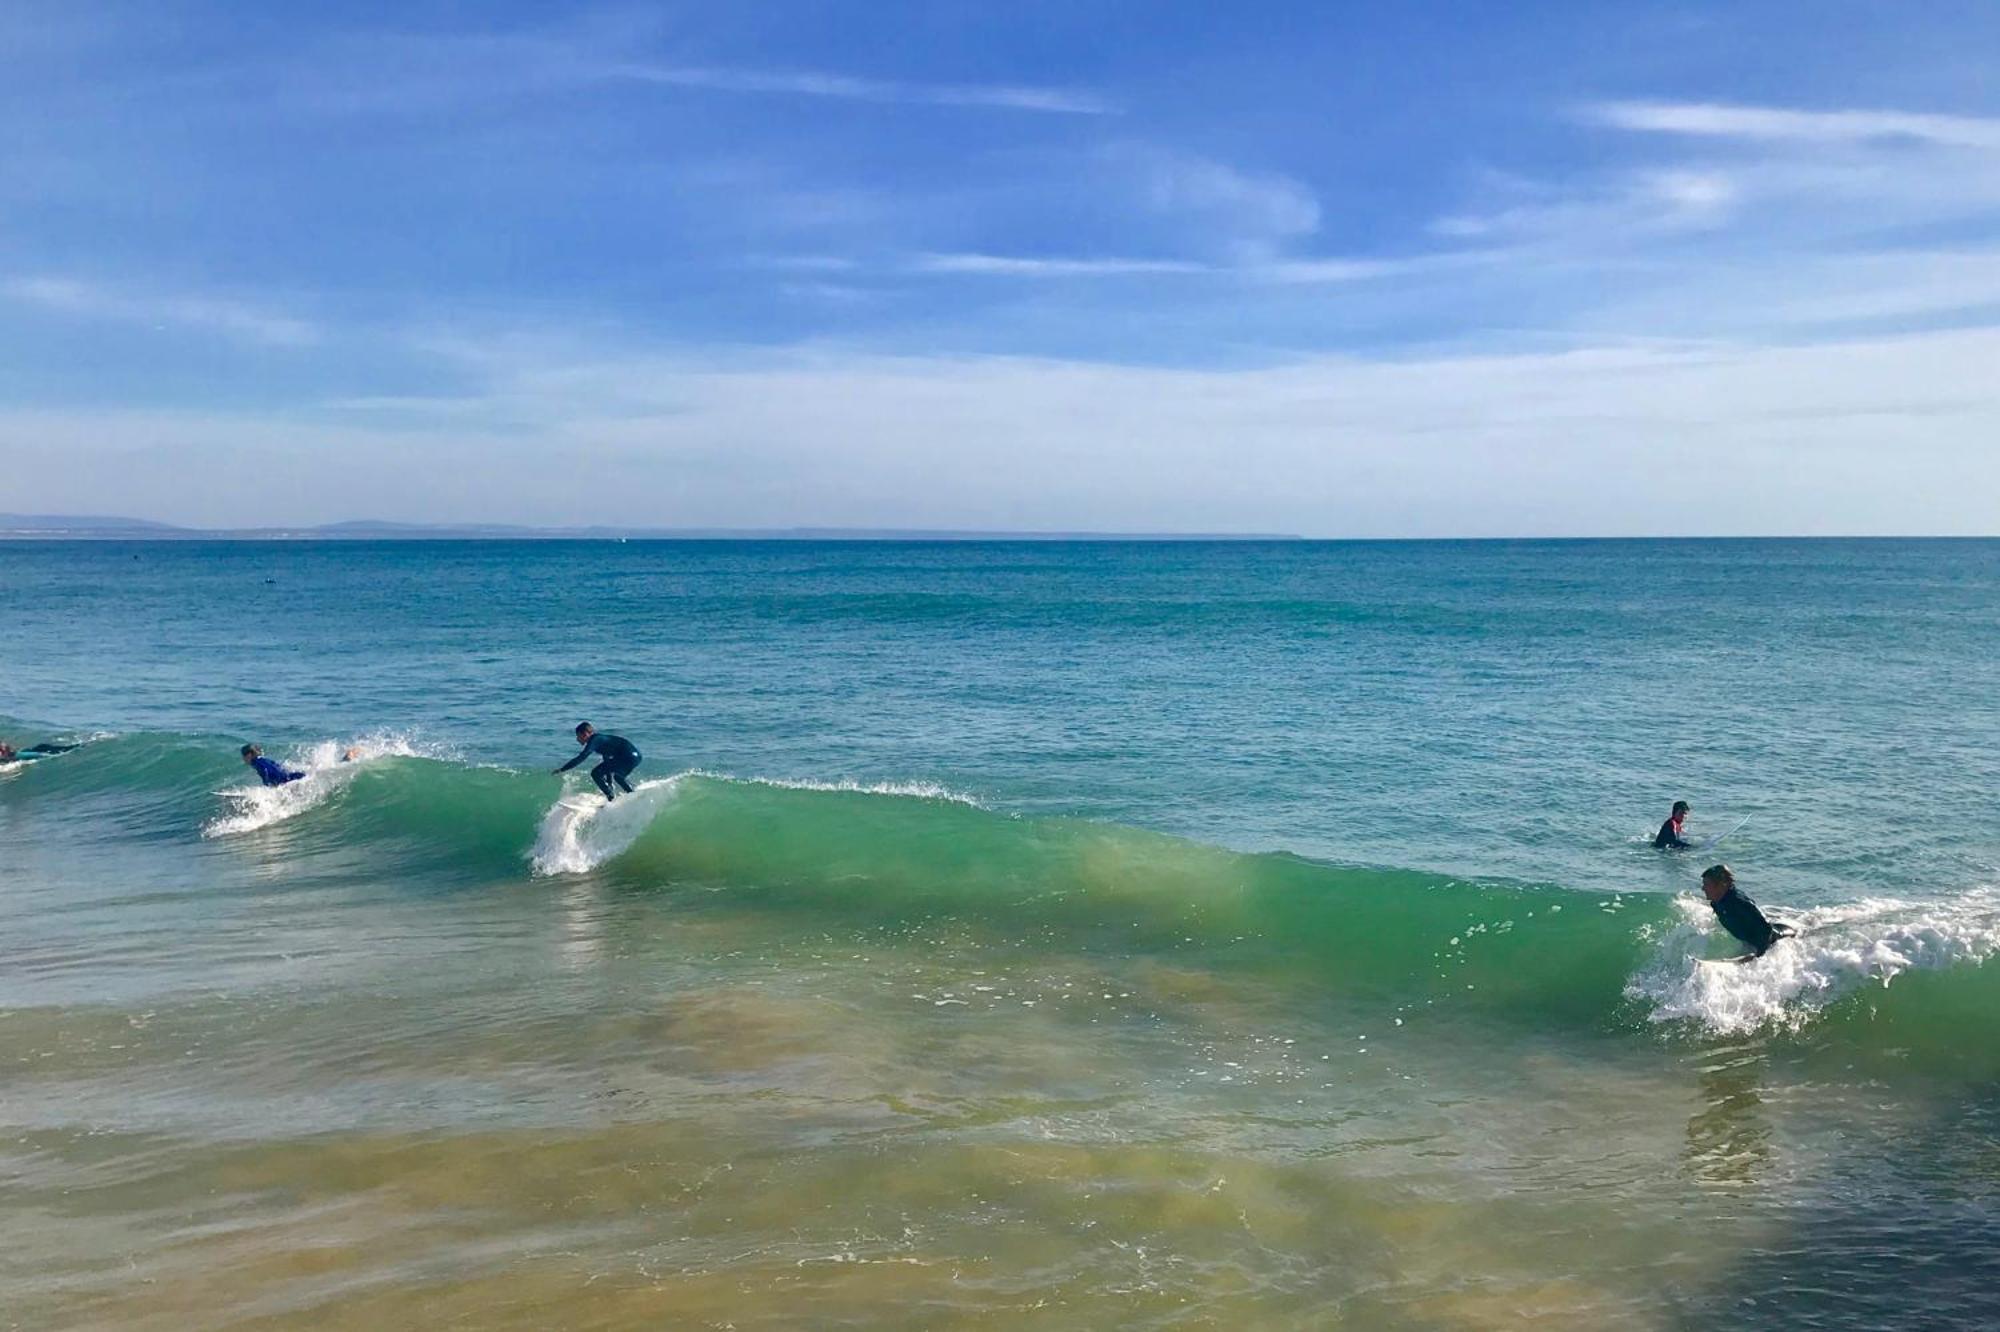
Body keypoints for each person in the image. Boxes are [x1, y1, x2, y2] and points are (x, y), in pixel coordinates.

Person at [1701, 863, 1795, 958]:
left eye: (1706, 884)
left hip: (1780, 940)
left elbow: (1766, 930)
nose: (1703, 888)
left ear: (1721, 885)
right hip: (1752, 942)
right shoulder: (1716, 902)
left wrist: (1758, 955)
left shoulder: (1739, 902)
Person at [554, 722, 642, 800]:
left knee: (595, 773)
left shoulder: (594, 740)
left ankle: (611, 797)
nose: (577, 739)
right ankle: (633, 795)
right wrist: (609, 782)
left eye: (578, 736)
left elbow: (581, 757)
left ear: (585, 734)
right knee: (618, 777)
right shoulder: (601, 741)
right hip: (635, 757)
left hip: (627, 756)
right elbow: (607, 762)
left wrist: (562, 769)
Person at [1, 739, 81, 763]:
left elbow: (5, 746)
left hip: (34, 753)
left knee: (62, 751)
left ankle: (77, 746)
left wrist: (7, 754)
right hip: (25, 752)